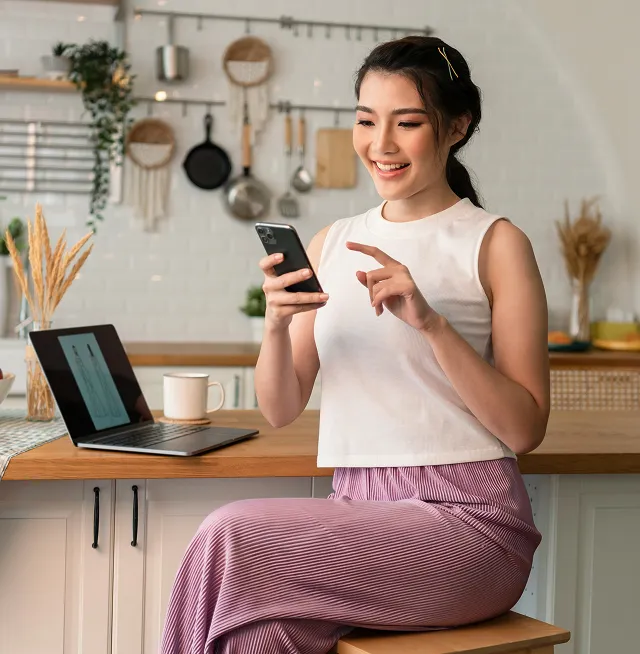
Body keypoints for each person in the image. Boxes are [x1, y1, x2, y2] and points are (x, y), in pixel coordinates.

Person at [160, 35, 549, 654]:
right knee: (256, 638)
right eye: (367, 120)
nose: (381, 144)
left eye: (408, 123)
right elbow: (281, 409)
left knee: (229, 533)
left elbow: (526, 428)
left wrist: (431, 323)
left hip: (468, 525)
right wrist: (275, 325)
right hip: (360, 512)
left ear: (457, 127)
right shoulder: (331, 243)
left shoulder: (496, 244)